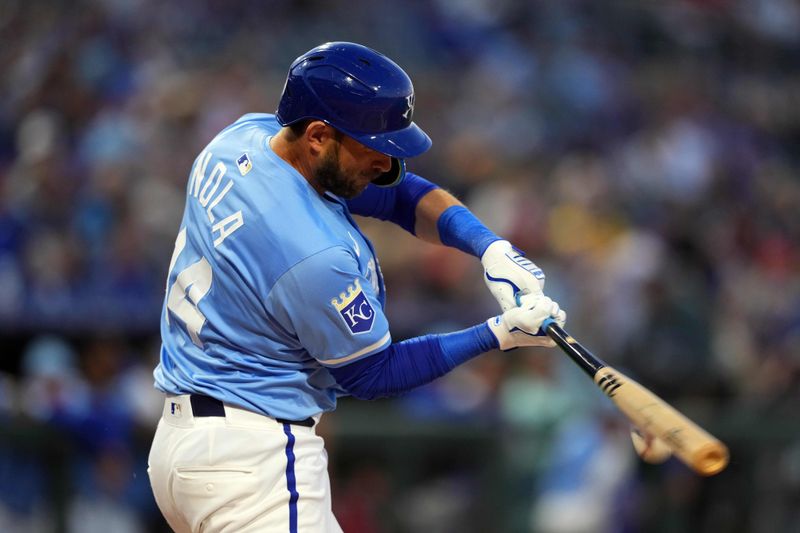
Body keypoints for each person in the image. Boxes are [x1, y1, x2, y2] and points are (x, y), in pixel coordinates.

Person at [147, 41, 566, 533]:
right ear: (320, 135)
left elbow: (394, 196)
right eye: (376, 146)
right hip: (253, 464)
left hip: (183, 448)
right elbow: (373, 374)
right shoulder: (312, 254)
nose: (387, 164)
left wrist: (488, 246)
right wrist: (497, 334)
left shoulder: (240, 140)